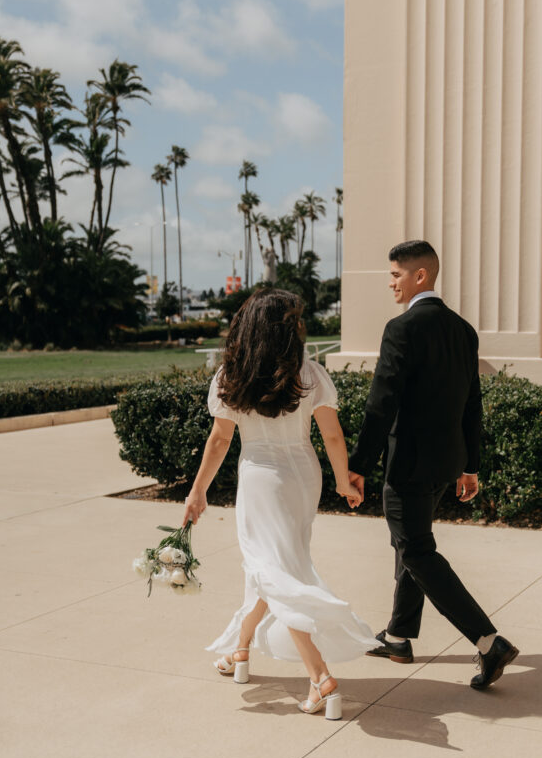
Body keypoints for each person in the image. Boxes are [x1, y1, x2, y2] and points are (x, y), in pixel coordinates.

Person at [183, 288, 377, 719]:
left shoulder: (230, 377)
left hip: (259, 479)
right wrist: (344, 482)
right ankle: (241, 649)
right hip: (302, 476)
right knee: (274, 567)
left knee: (274, 570)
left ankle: (321, 678)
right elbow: (331, 436)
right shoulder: (309, 374)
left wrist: (197, 491)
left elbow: (219, 440)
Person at [348, 240, 519, 689]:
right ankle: (400, 636)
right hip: (446, 464)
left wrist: (359, 464)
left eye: (395, 275)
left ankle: (487, 641)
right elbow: (472, 404)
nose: (391, 283)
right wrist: (470, 466)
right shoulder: (463, 331)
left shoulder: (402, 328)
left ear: (419, 276)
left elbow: (380, 403)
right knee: (410, 546)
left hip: (407, 466)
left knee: (417, 551)